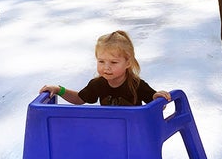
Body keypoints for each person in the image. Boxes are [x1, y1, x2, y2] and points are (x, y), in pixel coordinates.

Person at [40, 31, 171, 106]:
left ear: (128, 63)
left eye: (114, 62)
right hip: (108, 130)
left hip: (133, 131)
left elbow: (155, 102)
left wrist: (159, 97)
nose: (106, 67)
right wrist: (59, 90)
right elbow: (79, 99)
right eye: (101, 61)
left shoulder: (136, 85)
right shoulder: (97, 84)